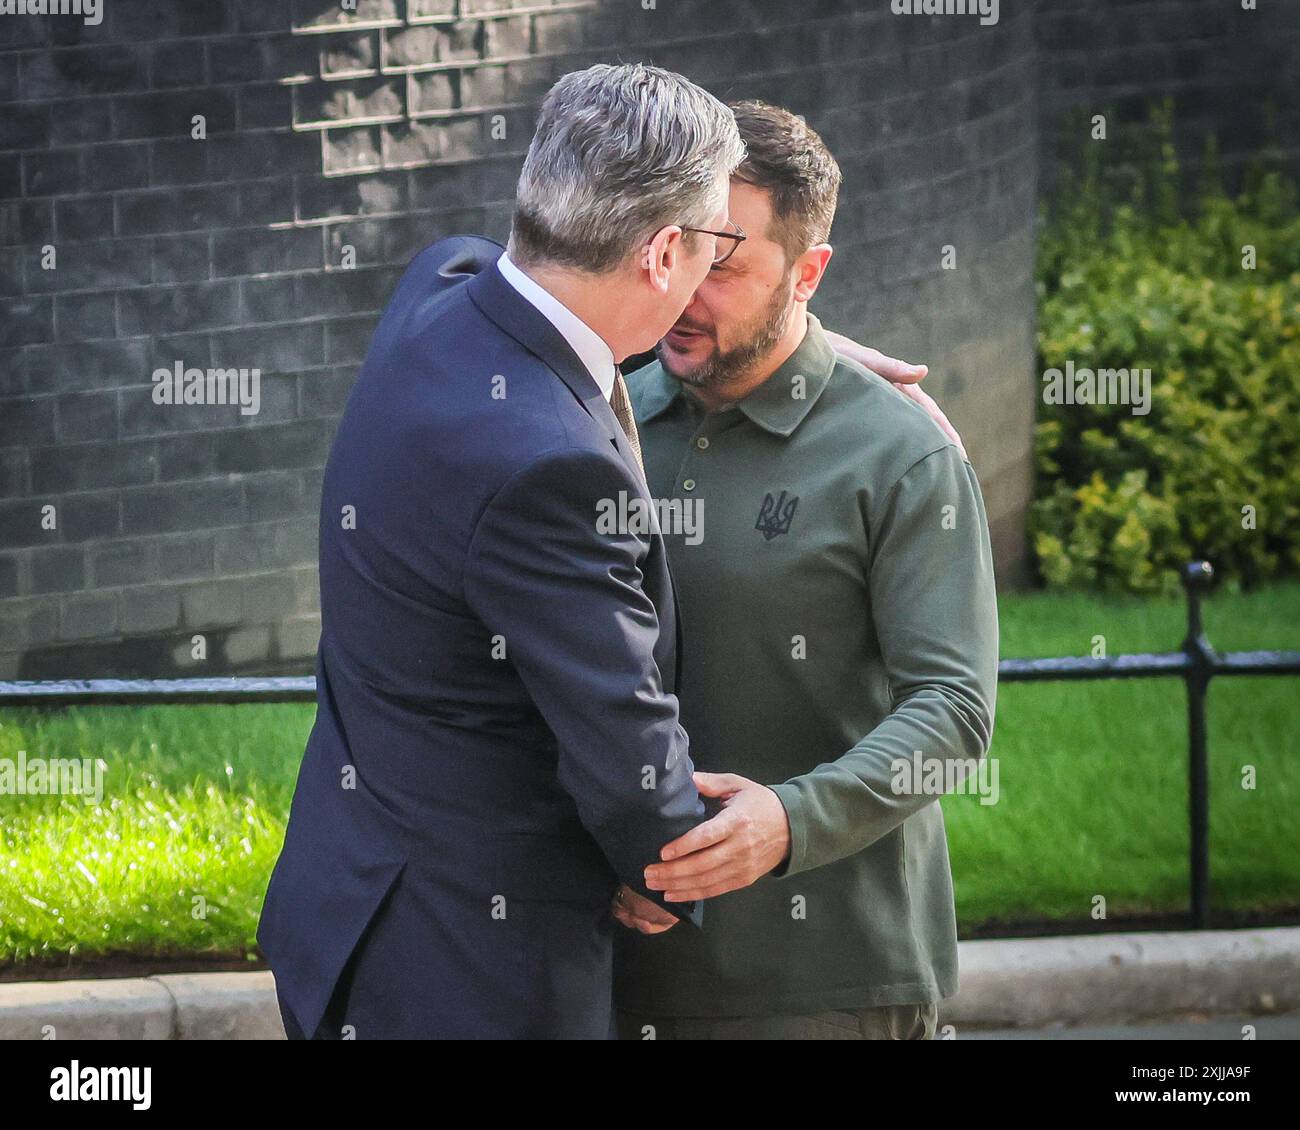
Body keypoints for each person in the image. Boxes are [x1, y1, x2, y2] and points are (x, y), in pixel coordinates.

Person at [257, 63, 745, 1039]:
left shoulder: (440, 288)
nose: (709, 274)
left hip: (350, 902)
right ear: (661, 254)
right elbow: (619, 726)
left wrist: (799, 358)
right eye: (716, 248)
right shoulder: (548, 471)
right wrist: (669, 858)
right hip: (468, 972)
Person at [612, 101, 999, 1040]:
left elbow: (953, 712)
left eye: (727, 264)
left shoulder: (900, 455)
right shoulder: (598, 415)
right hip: (616, 972)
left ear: (808, 272)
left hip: (830, 984)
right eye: (679, 248)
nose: (689, 287)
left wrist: (786, 821)